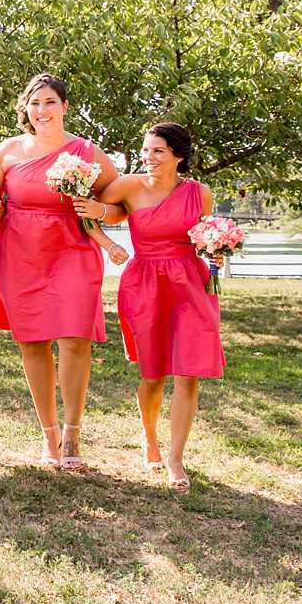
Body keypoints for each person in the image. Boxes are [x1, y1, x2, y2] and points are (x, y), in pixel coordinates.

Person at [0, 73, 126, 470]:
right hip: (19, 252)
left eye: (49, 102)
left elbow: (119, 204)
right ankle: (49, 434)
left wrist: (98, 210)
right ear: (25, 109)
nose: (41, 111)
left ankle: (74, 433)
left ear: (64, 107)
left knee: (75, 338)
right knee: (32, 342)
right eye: (34, 103)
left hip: (73, 251)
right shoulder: (6, 152)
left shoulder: (88, 152)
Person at [95, 123, 225, 490]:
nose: (148, 158)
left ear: (178, 157)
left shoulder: (201, 193)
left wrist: (218, 248)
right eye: (146, 150)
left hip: (191, 284)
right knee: (153, 375)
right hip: (146, 283)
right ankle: (149, 437)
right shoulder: (128, 186)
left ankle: (176, 459)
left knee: (189, 372)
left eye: (158, 152)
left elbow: (204, 236)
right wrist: (109, 245)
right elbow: (87, 212)